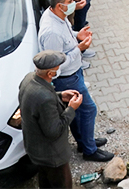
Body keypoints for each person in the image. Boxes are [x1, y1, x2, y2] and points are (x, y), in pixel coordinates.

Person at [38, 0, 113, 163]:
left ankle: (84, 142)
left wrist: (76, 36)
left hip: (74, 71)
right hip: (66, 78)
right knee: (89, 109)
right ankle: (89, 150)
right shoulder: (52, 33)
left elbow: (67, 35)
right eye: (70, 0)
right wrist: (79, 49)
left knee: (79, 111)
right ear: (59, 5)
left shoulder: (56, 16)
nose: (73, 3)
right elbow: (55, 66)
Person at [18, 50, 82, 189]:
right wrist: (71, 108)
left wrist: (60, 96)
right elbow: (54, 131)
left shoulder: (28, 79)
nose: (58, 70)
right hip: (52, 156)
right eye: (57, 69)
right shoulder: (44, 98)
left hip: (36, 151)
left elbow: (36, 103)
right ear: (50, 74)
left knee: (45, 181)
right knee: (61, 184)